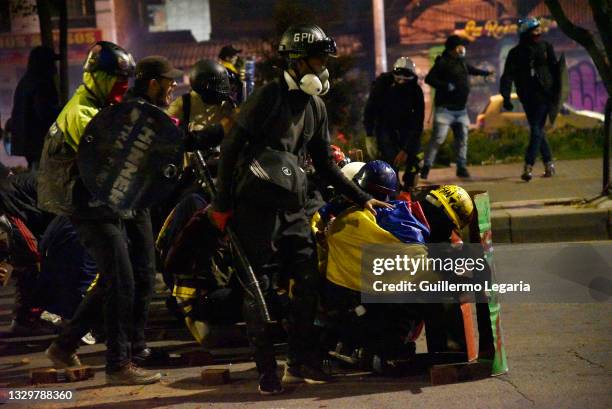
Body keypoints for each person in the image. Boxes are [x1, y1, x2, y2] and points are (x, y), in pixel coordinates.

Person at [210, 24, 391, 395]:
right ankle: (266, 372)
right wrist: (222, 204)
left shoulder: (315, 106)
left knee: (307, 281)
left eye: (325, 59)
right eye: (318, 58)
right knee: (256, 288)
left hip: (293, 208)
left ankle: (299, 361)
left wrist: (362, 198)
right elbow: (230, 149)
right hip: (254, 209)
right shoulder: (266, 97)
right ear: (296, 60)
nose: (323, 67)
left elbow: (324, 163)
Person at [39, 43, 172, 385]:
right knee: (122, 279)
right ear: (96, 77)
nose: (122, 86)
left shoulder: (101, 105)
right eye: (116, 78)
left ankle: (65, 344)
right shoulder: (81, 113)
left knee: (120, 278)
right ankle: (118, 366)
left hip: (100, 203)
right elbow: (110, 159)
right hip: (86, 206)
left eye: (126, 79)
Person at [422, 35, 493, 179]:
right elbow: (429, 78)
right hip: (445, 110)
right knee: (438, 139)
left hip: (461, 110)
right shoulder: (443, 62)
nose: (463, 48)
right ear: (453, 48)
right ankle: (426, 166)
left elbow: (471, 70)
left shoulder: (461, 62)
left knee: (462, 140)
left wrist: (486, 73)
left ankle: (461, 168)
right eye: (461, 46)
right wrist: (445, 86)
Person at [500, 17, 558, 181]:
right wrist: (506, 97)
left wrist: (557, 93)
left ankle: (529, 165)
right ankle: (549, 165)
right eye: (534, 30)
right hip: (527, 97)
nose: (538, 32)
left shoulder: (546, 47)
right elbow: (507, 76)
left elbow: (556, 70)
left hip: (544, 94)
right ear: (526, 32)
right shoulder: (515, 53)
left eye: (539, 29)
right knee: (537, 129)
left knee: (535, 128)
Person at [363, 57, 425, 190]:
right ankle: (393, 191)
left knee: (418, 161)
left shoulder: (416, 92)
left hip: (407, 129)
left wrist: (406, 150)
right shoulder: (382, 86)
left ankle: (409, 189)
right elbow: (370, 110)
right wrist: (369, 135)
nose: (402, 80)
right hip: (385, 127)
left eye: (406, 76)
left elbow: (418, 123)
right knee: (389, 166)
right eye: (399, 76)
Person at [10, 46, 61, 169]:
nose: (54, 67)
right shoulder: (42, 82)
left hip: (29, 144)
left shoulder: (26, 81)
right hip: (39, 142)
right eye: (51, 63)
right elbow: (44, 112)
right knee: (40, 175)